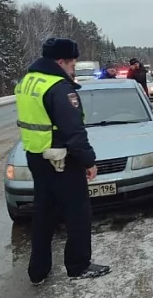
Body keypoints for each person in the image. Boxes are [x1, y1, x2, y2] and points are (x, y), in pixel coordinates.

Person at [14, 37, 111, 285]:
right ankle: (78, 266)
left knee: (43, 214)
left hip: (36, 156)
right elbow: (74, 131)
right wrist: (88, 161)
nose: (73, 67)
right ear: (60, 61)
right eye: (72, 63)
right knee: (78, 213)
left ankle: (38, 270)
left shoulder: (27, 82)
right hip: (61, 160)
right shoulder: (58, 88)